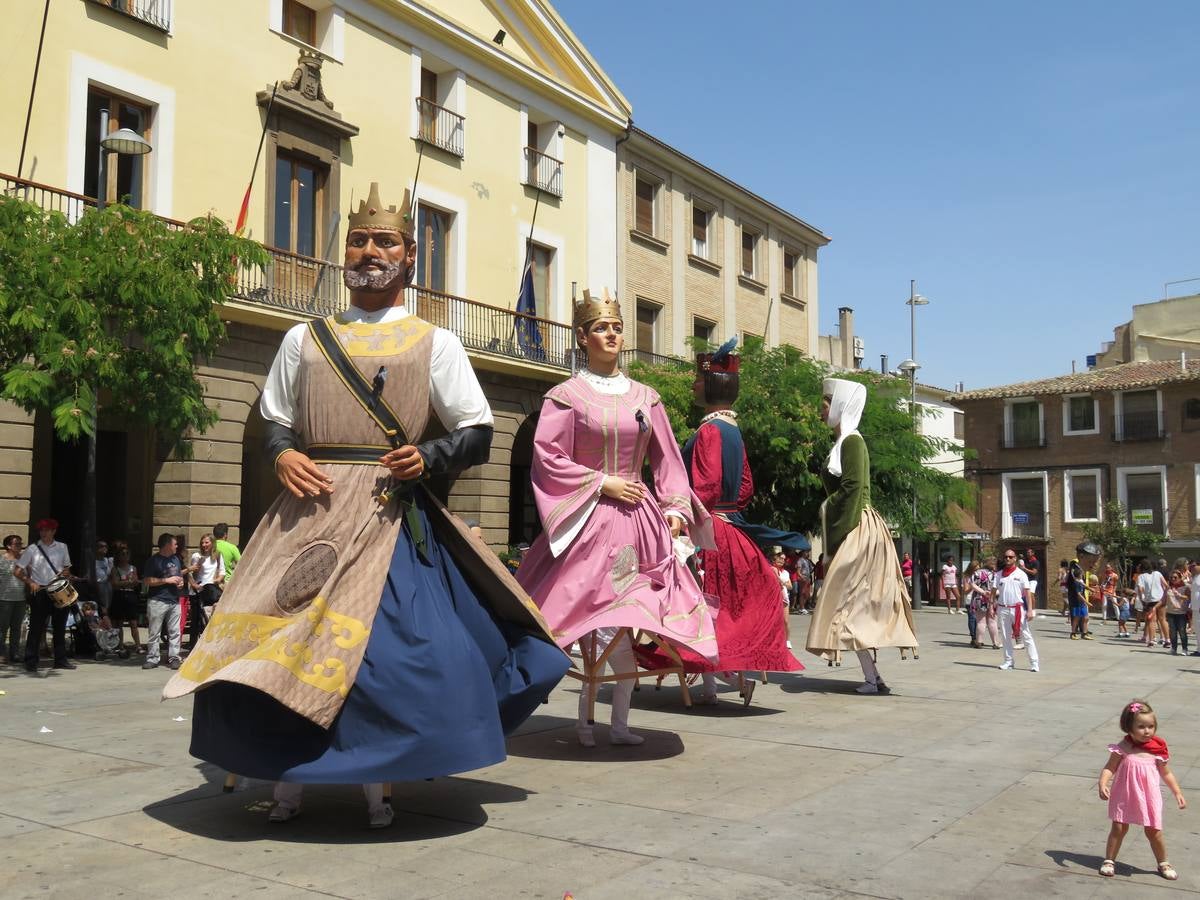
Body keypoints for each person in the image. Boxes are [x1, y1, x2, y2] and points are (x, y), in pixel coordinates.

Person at [165, 182, 565, 828]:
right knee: (274, 642)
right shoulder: (304, 338)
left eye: (385, 241)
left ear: (409, 258)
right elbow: (274, 418)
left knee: (396, 654)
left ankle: (377, 776)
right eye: (359, 240)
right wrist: (281, 455)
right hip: (308, 516)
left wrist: (429, 458)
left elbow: (478, 431)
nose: (369, 250)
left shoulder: (435, 343)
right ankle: (285, 777)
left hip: (387, 512)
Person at [516, 289, 717, 744]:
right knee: (588, 616)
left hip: (638, 522)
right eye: (601, 328)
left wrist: (675, 510)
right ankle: (584, 720)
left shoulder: (647, 398)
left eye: (617, 327)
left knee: (630, 618)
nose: (611, 335)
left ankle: (618, 722)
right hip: (588, 520)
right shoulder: (565, 396)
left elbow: (668, 463)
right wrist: (600, 482)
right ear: (583, 337)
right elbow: (547, 455)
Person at [637, 341, 804, 705]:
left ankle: (710, 681)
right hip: (732, 529)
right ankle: (718, 678)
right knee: (725, 603)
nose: (694, 386)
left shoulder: (710, 431)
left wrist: (684, 512)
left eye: (697, 380)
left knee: (702, 600)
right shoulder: (733, 432)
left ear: (710, 385)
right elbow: (746, 486)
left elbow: (707, 485)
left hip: (706, 530)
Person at [806, 378, 918, 694]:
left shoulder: (852, 442)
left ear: (839, 406)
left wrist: (832, 516)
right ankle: (873, 677)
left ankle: (872, 678)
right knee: (851, 606)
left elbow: (853, 488)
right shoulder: (844, 442)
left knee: (848, 604)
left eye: (825, 405)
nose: (820, 411)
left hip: (857, 525)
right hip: (857, 524)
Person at [1098, 699, 1185, 880]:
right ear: (1129, 728)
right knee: (1119, 828)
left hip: (1148, 796)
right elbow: (1110, 767)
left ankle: (1163, 862)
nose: (1147, 731)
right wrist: (1103, 783)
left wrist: (1177, 792)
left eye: (1151, 726)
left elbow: (1166, 774)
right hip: (1124, 794)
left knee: (1153, 830)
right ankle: (1109, 860)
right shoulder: (1122, 748)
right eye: (1141, 727)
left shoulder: (1157, 750)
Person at [16, 518, 74, 672]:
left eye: (47, 530)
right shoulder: (32, 549)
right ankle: (31, 661)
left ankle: (60, 660)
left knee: (59, 627)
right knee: (36, 628)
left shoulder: (62, 547)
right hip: (40, 592)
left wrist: (66, 573)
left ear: (54, 531)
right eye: (41, 530)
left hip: (58, 590)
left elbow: (67, 568)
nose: (43, 533)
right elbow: (17, 570)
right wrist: (30, 582)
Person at [143, 533, 184, 670]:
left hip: (174, 600)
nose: (177, 546)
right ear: (167, 545)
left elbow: (178, 576)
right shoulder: (153, 561)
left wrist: (180, 582)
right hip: (157, 600)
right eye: (175, 544)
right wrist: (166, 580)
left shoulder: (176, 559)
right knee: (154, 631)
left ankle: (174, 657)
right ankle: (153, 658)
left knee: (175, 631)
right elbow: (147, 581)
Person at [995, 548, 1038, 672]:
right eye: (1006, 557)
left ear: (1015, 559)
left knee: (1026, 635)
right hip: (1003, 608)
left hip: (1018, 608)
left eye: (1010, 557)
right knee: (1005, 636)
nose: (1008, 559)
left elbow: (1028, 592)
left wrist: (1030, 609)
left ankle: (1034, 662)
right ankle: (1008, 661)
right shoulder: (999, 575)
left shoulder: (1021, 574)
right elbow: (993, 590)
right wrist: (991, 606)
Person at [187, 533, 226, 645]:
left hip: (211, 588)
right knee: (196, 619)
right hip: (199, 590)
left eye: (206, 542)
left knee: (210, 617)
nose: (204, 545)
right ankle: (193, 645)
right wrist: (198, 566)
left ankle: (210, 642)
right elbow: (192, 574)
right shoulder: (196, 556)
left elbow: (222, 571)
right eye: (202, 542)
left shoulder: (217, 555)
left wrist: (217, 580)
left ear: (212, 543)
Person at [108, 542, 142, 653]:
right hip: (119, 595)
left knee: (133, 622)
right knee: (119, 622)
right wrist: (128, 582)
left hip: (130, 595)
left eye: (127, 554)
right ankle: (120, 645)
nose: (125, 556)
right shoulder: (115, 569)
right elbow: (115, 583)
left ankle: (138, 646)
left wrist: (126, 582)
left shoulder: (133, 568)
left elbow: (136, 582)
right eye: (123, 554)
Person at [0, 535, 26, 665]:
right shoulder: (1, 560)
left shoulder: (24, 560)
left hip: (21, 599)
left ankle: (14, 653)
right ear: (8, 546)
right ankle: (1, 654)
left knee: (16, 627)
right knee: (2, 628)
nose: (20, 546)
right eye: (17, 544)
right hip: (4, 598)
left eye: (21, 543)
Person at [968, 556, 1000, 649]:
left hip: (979, 598)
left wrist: (982, 592)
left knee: (981, 622)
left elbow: (972, 584)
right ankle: (996, 643)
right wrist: (992, 593)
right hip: (992, 599)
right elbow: (1000, 588)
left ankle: (979, 642)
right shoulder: (996, 574)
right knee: (993, 621)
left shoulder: (977, 573)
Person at [1135, 560, 1167, 649]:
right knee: (1162, 619)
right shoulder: (1157, 573)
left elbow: (1141, 590)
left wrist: (1142, 600)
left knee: (1151, 621)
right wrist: (1165, 596)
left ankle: (1152, 640)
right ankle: (1167, 639)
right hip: (1160, 599)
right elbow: (1166, 585)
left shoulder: (1141, 577)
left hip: (1150, 600)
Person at [1164, 570, 1189, 655]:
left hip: (1181, 613)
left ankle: (1184, 649)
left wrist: (1180, 595)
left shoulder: (1185, 587)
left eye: (1175, 577)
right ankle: (1173, 648)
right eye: (1171, 577)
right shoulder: (1169, 588)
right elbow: (1164, 599)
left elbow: (1188, 597)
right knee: (1172, 632)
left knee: (1182, 632)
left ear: (1180, 578)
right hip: (1171, 612)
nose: (1173, 579)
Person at [90, 540, 114, 617]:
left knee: (107, 609)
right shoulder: (92, 562)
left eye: (106, 546)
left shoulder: (109, 561)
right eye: (101, 546)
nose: (104, 548)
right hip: (97, 586)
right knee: (99, 609)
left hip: (107, 587)